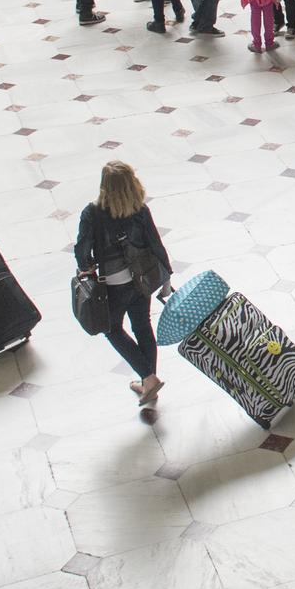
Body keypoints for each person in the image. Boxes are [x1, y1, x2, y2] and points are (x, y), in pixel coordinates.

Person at [75, 161, 173, 408]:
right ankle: (148, 381)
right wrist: (166, 278)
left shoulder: (92, 213)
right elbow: (155, 244)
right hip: (142, 280)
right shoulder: (139, 209)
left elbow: (82, 249)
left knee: (112, 329)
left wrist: (86, 267)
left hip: (114, 284)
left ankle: (148, 379)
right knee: (142, 326)